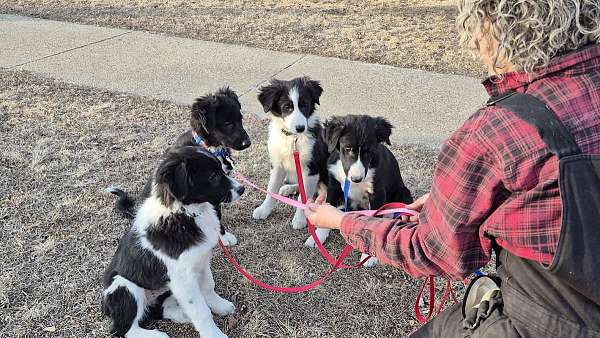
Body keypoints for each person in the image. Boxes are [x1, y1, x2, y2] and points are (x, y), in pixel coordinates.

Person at [304, 1, 600, 337]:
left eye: (476, 33)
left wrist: (340, 221)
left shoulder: (496, 130)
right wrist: (452, 200)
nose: (475, 48)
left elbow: (429, 251)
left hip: (547, 321)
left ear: (496, 30)